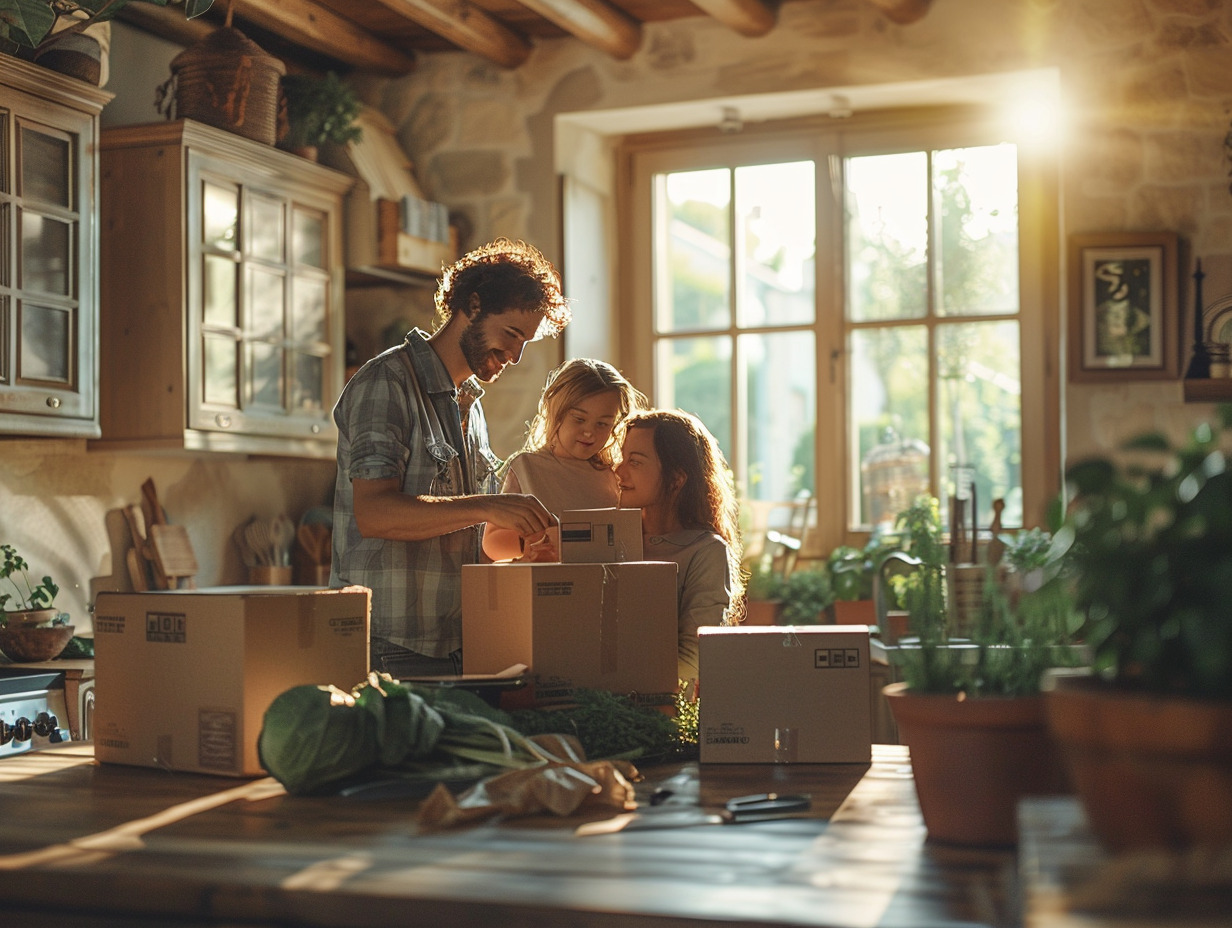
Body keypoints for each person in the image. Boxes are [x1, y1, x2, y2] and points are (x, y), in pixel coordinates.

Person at [331, 238, 572, 678]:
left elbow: (461, 534)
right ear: (473, 306)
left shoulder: (470, 404)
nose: (515, 356)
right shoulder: (386, 382)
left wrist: (524, 548)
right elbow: (375, 514)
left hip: (461, 643)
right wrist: (487, 505)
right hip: (389, 646)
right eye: (512, 334)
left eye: (526, 343)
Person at [614, 408, 745, 694]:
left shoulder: (706, 552)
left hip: (662, 716)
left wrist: (611, 692)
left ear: (677, 479)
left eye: (634, 462)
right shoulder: (610, 539)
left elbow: (693, 660)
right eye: (621, 458)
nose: (619, 471)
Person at [482, 358, 647, 562]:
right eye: (579, 419)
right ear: (554, 410)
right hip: (547, 585)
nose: (589, 432)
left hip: (603, 584)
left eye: (603, 424)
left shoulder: (613, 475)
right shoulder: (526, 467)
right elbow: (491, 541)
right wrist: (534, 542)